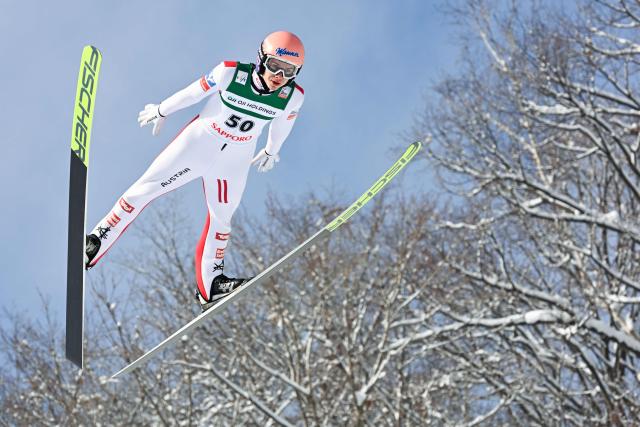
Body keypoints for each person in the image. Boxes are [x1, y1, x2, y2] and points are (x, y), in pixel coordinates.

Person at [84, 31, 305, 311]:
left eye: (289, 71)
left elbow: (283, 124)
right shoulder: (230, 73)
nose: (279, 76)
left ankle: (210, 283)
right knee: (143, 190)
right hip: (198, 145)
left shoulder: (291, 97)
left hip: (234, 161)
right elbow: (193, 93)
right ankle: (96, 241)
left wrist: (273, 150)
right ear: (261, 59)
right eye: (275, 66)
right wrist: (162, 110)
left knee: (222, 219)